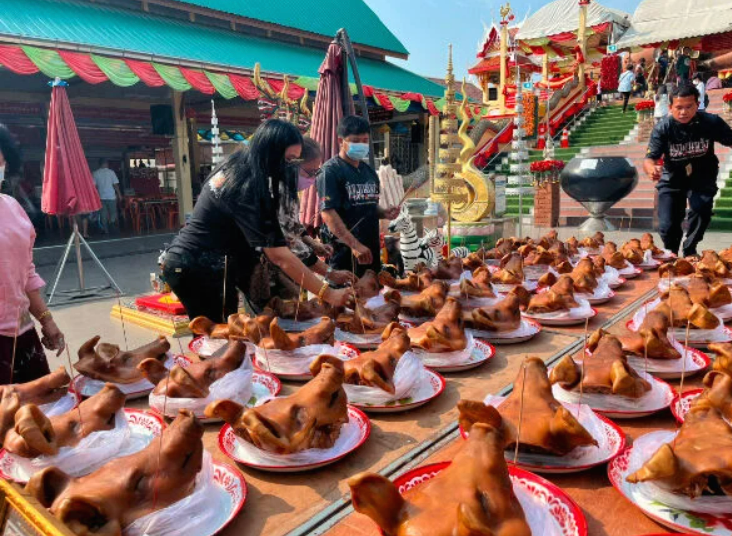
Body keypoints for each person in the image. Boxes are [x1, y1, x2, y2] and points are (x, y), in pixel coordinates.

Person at [162, 119, 353, 322]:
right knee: (216, 339)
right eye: (288, 160)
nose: (289, 168)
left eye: (294, 161)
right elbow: (280, 255)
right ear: (270, 152)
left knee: (227, 333)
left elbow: (279, 238)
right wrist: (328, 292)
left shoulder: (242, 166)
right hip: (196, 266)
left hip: (210, 265)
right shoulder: (248, 184)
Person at [248, 137, 355, 309]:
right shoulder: (275, 188)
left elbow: (292, 224)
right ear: (292, 163)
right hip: (261, 269)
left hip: (279, 265)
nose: (313, 179)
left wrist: (312, 243)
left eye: (316, 172)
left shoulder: (288, 189)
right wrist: (330, 275)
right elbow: (290, 242)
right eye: (310, 172)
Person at [0, 124, 65, 384]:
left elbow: (26, 273)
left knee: (43, 413)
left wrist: (46, 320)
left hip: (23, 334)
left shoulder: (13, 208)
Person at [644, 84, 732, 257]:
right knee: (668, 224)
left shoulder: (711, 122)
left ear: (697, 104)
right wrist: (651, 169)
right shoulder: (663, 128)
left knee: (701, 209)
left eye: (688, 107)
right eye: (678, 107)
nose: (683, 112)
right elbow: (650, 157)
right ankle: (671, 253)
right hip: (672, 177)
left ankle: (690, 249)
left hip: (703, 175)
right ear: (670, 107)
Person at [317, 116, 400, 277]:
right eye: (356, 140)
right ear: (341, 140)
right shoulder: (330, 172)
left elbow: (370, 205)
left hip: (370, 247)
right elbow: (328, 213)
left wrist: (384, 212)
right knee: (346, 295)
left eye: (365, 140)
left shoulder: (368, 171)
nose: (362, 145)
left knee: (371, 293)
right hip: (344, 250)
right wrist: (354, 245)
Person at [92, 159, 121, 234]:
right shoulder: (111, 172)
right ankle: (111, 223)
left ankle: (106, 230)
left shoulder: (95, 173)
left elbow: (94, 187)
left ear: (100, 164)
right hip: (111, 196)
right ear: (106, 164)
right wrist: (119, 194)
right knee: (113, 212)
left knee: (103, 214)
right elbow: (115, 185)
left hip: (101, 197)